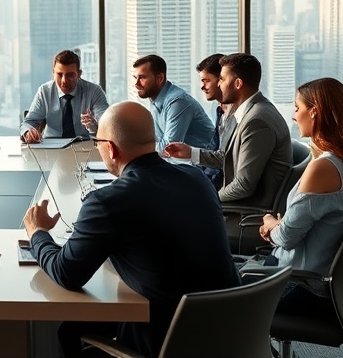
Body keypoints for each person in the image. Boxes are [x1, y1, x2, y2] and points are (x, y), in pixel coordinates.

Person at [23, 101, 239, 358]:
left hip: (168, 340)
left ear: (111, 149)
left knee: (69, 330)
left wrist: (37, 233)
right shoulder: (198, 179)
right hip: (231, 328)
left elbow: (65, 273)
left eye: (97, 142)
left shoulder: (107, 202)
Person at [257, 78, 343, 316]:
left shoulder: (324, 168)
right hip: (309, 279)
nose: (294, 115)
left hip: (298, 285)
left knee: (210, 296)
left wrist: (270, 224)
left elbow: (286, 237)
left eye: (298, 108)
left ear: (315, 111)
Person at [165, 53, 291, 207]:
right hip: (239, 198)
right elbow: (229, 157)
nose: (218, 84)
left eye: (222, 79)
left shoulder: (256, 122)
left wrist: (205, 198)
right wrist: (191, 152)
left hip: (250, 207)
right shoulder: (249, 112)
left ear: (238, 83)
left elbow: (243, 186)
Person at [21, 49, 109, 143]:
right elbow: (29, 122)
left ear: (79, 74)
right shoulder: (44, 91)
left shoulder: (94, 91)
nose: (64, 81)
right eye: (59, 74)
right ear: (53, 72)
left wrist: (96, 126)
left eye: (70, 75)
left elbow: (107, 123)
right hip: (51, 146)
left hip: (83, 146)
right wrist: (28, 132)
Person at [133, 54, 214, 151]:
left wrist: (136, 148)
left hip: (201, 163)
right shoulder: (155, 100)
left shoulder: (178, 102)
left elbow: (169, 148)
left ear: (160, 78)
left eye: (142, 78)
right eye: (135, 78)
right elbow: (157, 140)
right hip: (179, 162)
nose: (136, 84)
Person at [196, 53, 235, 188]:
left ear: (220, 80)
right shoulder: (220, 109)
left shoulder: (237, 115)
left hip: (221, 185)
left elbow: (225, 160)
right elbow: (214, 146)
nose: (202, 86)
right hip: (210, 176)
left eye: (206, 81)